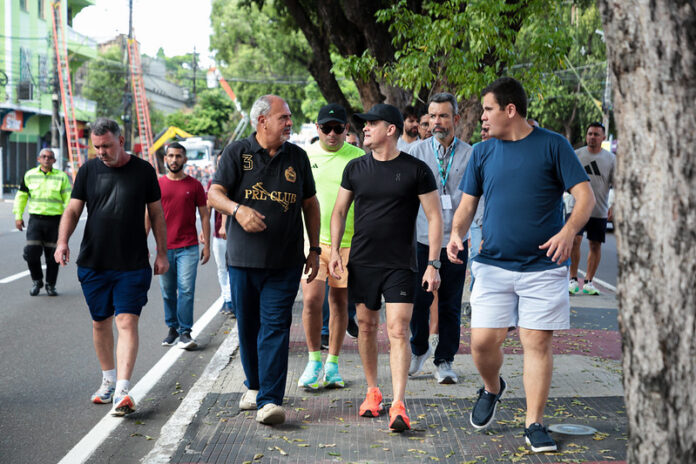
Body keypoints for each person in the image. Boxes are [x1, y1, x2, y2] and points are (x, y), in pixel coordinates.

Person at [446, 77, 594, 452]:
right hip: (493, 265)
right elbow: (467, 205)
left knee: (536, 343)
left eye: (488, 109)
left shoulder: (553, 145)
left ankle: (534, 423)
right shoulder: (482, 152)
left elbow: (585, 197)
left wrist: (568, 231)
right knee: (482, 343)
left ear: (510, 110)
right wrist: (456, 234)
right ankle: (492, 387)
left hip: (544, 268)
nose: (483, 116)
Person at [330, 103, 443, 432]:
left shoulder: (416, 170)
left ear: (390, 129)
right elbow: (339, 211)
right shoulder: (355, 168)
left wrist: (433, 264)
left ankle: (399, 403)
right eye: (364, 124)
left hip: (400, 264)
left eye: (371, 124)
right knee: (366, 327)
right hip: (363, 261)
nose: (364, 128)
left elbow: (435, 217)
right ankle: (372, 392)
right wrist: (335, 251)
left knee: (397, 330)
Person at [208, 95, 320, 426]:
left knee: (276, 326)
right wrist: (237, 210)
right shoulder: (237, 152)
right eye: (283, 117)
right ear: (262, 121)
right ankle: (254, 385)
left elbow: (310, 204)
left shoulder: (297, 157)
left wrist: (314, 249)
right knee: (248, 327)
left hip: (285, 262)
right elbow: (214, 194)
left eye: (289, 117)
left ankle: (270, 400)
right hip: (243, 261)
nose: (289, 122)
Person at [54, 118, 169, 416]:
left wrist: (162, 253)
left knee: (126, 321)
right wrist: (62, 242)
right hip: (94, 262)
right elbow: (73, 209)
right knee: (100, 322)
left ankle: (122, 390)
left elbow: (157, 214)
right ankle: (107, 380)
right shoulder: (88, 171)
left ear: (120, 141)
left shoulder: (143, 171)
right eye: (96, 147)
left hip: (132, 264)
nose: (101, 152)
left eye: (106, 145)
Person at [298, 103, 364, 390]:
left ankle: (333, 365)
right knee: (312, 301)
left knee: (339, 304)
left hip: (349, 243)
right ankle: (313, 360)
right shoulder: (305, 157)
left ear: (346, 129)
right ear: (318, 128)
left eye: (338, 129)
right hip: (313, 242)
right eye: (326, 128)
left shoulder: (358, 157)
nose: (332, 134)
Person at [407, 93, 472, 384]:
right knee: (418, 299)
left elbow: (476, 198)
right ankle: (418, 348)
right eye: (432, 116)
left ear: (455, 119)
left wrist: (476, 233)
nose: (437, 122)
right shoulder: (416, 152)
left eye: (443, 116)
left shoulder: (470, 154)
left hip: (457, 241)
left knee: (450, 303)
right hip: (422, 238)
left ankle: (444, 360)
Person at [155, 142, 210, 349]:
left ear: (185, 160)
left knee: (186, 290)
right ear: (165, 159)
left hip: (188, 247)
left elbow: (204, 215)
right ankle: (172, 328)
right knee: (167, 291)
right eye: (171, 156)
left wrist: (207, 245)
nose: (174, 160)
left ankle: (185, 332)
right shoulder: (158, 185)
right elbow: (149, 215)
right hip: (164, 248)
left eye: (178, 156)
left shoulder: (194, 185)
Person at [13, 148, 71, 296]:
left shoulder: (61, 177)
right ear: (38, 159)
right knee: (31, 253)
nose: (46, 159)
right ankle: (37, 280)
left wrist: (68, 220)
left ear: (54, 161)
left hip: (55, 222)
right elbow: (21, 197)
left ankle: (50, 285)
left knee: (53, 257)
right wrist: (18, 216)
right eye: (44, 156)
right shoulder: (29, 175)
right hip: (36, 221)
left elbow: (68, 200)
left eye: (50, 157)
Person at [569, 122, 615, 295]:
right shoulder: (576, 155)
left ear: (603, 138)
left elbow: (616, 184)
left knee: (595, 245)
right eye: (590, 134)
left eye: (596, 134)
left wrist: (614, 205)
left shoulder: (611, 159)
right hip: (577, 208)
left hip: (599, 210)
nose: (592, 137)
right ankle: (573, 279)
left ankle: (588, 282)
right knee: (574, 241)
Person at [205, 155, 234, 316]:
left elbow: (226, 205)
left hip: (234, 233)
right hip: (218, 235)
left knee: (233, 268)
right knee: (222, 268)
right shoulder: (213, 182)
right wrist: (204, 230)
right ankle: (226, 299)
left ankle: (231, 300)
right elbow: (208, 206)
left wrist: (224, 225)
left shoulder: (236, 180)